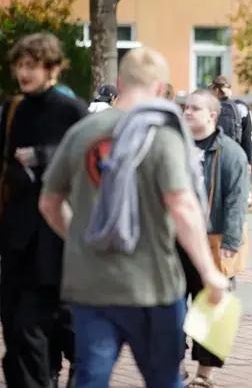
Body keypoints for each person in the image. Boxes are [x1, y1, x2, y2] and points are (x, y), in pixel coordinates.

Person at [38, 46, 230, 388]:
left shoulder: (83, 132)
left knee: (90, 378)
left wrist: (81, 238)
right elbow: (182, 206)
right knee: (163, 380)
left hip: (91, 284)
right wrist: (208, 271)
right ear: (160, 89)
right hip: (152, 286)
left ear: (118, 82)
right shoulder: (162, 133)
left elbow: (49, 203)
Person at [0, 32, 87, 388]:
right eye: (20, 65)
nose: (24, 72)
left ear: (51, 68)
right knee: (16, 327)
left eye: (32, 65)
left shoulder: (72, 111)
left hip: (59, 235)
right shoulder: (12, 110)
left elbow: (89, 161)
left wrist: (45, 155)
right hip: (17, 232)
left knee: (42, 324)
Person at [180, 88, 249, 387]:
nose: (188, 112)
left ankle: (204, 375)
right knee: (168, 306)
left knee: (210, 308)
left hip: (213, 239)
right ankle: (173, 364)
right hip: (174, 240)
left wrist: (230, 243)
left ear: (212, 114)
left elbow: (236, 201)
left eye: (195, 108)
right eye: (186, 107)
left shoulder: (231, 152)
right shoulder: (174, 147)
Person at [209, 76, 252, 207]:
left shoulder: (210, 108)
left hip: (215, 158)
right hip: (237, 157)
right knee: (239, 206)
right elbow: (248, 136)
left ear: (216, 91)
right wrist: (249, 162)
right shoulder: (241, 107)